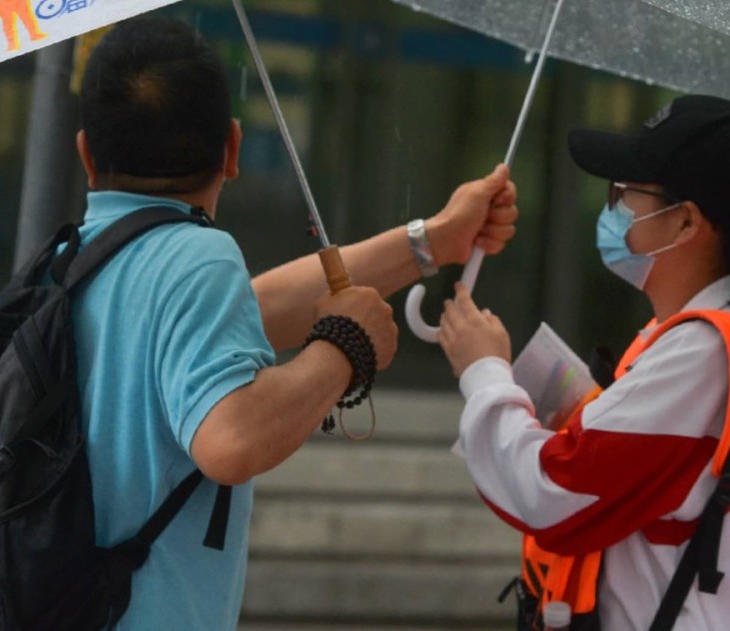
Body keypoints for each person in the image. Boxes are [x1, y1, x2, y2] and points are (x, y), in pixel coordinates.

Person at [70, 17, 518, 630]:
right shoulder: (196, 254)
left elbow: (247, 312)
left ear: (86, 154)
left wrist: (434, 241)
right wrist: (342, 346)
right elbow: (230, 440)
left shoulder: (74, 260)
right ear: (231, 148)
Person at [438, 95, 730, 629]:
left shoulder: (703, 353)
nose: (610, 207)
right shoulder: (699, 339)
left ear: (686, 223)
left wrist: (484, 372)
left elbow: (550, 493)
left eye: (625, 193)